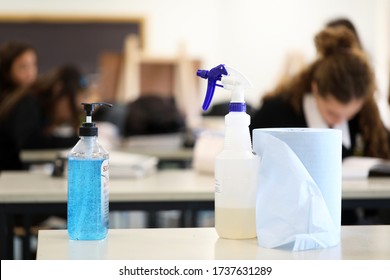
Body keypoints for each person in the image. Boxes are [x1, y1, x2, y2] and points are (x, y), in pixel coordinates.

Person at [250, 26, 390, 161]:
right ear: (316, 90)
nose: (340, 121)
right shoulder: (275, 112)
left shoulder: (364, 117)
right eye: (332, 113)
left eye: (350, 115)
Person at [0, 65, 86, 171]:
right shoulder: (29, 104)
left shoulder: (37, 105)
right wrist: (79, 140)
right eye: (70, 106)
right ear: (59, 89)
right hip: (7, 175)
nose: (68, 115)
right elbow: (30, 143)